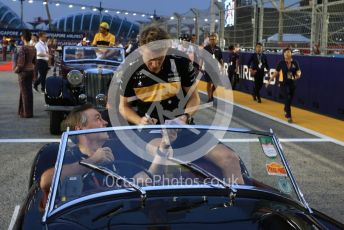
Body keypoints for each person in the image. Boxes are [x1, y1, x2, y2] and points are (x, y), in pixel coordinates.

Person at [119, 26, 244, 184]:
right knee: (166, 155)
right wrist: (139, 121)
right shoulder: (130, 69)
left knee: (230, 158)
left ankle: (239, 206)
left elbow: (194, 98)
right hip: (151, 131)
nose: (156, 65)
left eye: (160, 59)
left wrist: (185, 117)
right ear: (141, 50)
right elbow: (123, 107)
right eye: (151, 60)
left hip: (182, 127)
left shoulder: (181, 62)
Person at [266, 48, 301, 123]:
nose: (286, 54)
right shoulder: (281, 63)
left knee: (290, 99)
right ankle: (289, 116)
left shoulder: (295, 62)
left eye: (288, 52)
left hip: (292, 83)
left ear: (291, 54)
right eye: (285, 53)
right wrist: (269, 80)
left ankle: (285, 108)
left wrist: (298, 75)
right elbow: (275, 73)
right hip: (283, 84)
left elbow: (298, 71)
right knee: (287, 98)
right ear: (283, 54)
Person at [14, 29, 37, 118]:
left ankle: (27, 113)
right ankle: (22, 111)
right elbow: (35, 61)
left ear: (22, 37)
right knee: (28, 92)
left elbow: (21, 63)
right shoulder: (33, 48)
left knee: (24, 93)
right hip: (31, 71)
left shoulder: (23, 48)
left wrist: (16, 70)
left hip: (23, 73)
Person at [203, 33, 224, 102]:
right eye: (211, 39)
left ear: (216, 40)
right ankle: (209, 97)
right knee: (209, 83)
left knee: (216, 83)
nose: (212, 41)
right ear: (209, 40)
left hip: (216, 68)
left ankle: (211, 93)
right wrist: (201, 66)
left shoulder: (218, 49)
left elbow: (221, 59)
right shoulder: (206, 48)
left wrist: (222, 67)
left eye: (213, 39)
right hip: (208, 68)